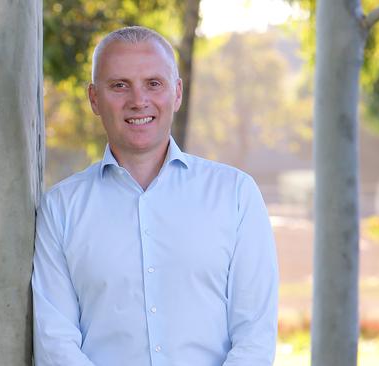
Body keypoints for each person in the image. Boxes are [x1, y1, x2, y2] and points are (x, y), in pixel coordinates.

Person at [32, 26, 278, 366]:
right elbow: (55, 342)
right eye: (119, 85)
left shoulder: (235, 195)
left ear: (176, 93)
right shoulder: (60, 208)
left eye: (153, 83)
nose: (138, 100)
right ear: (94, 99)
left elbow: (254, 336)